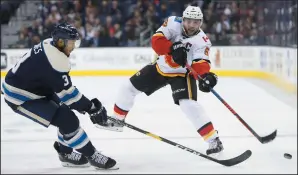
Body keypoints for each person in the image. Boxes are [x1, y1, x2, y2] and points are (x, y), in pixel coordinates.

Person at [98, 6, 224, 155]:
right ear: (183, 19)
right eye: (189, 21)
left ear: (201, 23)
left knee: (189, 105)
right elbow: (156, 41)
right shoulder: (172, 22)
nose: (191, 25)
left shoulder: (202, 41)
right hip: (161, 68)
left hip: (182, 74)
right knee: (128, 87)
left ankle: (213, 140)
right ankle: (117, 120)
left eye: (195, 22)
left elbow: (201, 63)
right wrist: (172, 47)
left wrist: (205, 76)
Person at [1, 22, 117, 169]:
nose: (73, 47)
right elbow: (69, 96)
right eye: (71, 43)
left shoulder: (49, 44)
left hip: (35, 88)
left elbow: (61, 90)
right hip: (21, 97)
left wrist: (88, 107)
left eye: (75, 43)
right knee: (68, 121)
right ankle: (91, 155)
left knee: (67, 118)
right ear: (60, 42)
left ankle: (65, 153)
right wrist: (91, 108)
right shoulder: (56, 59)